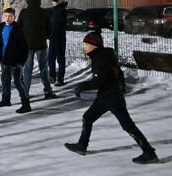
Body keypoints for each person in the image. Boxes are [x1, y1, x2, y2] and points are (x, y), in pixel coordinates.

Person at [65, 29, 158, 164]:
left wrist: (82, 86)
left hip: (112, 98)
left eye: (86, 44)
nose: (84, 47)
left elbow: (100, 81)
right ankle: (82, 146)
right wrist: (122, 87)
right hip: (105, 96)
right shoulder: (103, 55)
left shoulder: (100, 59)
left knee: (127, 125)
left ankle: (149, 153)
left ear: (94, 46)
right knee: (88, 117)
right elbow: (118, 73)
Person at [17, 0, 57, 100]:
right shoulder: (43, 12)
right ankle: (48, 91)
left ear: (27, 0)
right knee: (44, 68)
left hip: (27, 45)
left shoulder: (23, 12)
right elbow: (49, 28)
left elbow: (18, 28)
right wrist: (45, 36)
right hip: (41, 44)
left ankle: (25, 93)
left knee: (27, 69)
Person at [0, 7, 31, 114]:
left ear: (14, 17)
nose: (7, 18)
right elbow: (1, 40)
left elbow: (24, 47)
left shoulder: (18, 29)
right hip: (4, 60)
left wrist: (21, 62)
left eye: (10, 16)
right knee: (5, 80)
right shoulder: (2, 26)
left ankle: (26, 104)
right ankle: (6, 100)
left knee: (18, 82)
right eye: (5, 16)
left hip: (15, 61)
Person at [48, 0, 68, 86]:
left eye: (53, 1)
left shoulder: (61, 11)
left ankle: (60, 79)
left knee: (60, 59)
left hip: (59, 39)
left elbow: (59, 25)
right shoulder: (55, 10)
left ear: (58, 1)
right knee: (51, 58)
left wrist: (53, 33)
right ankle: (52, 76)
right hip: (53, 38)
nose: (52, 2)